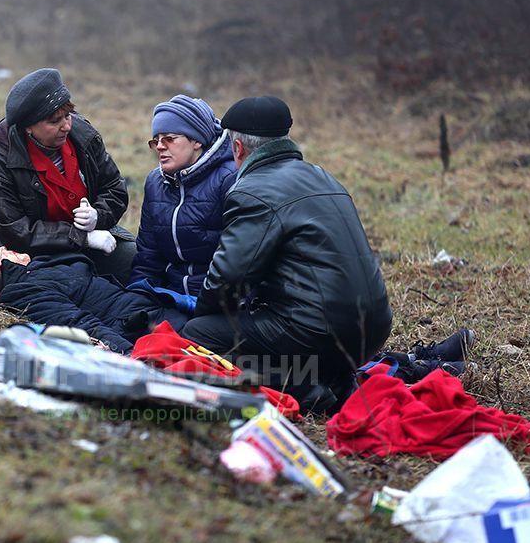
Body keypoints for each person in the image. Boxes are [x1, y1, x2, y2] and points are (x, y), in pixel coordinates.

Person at [182, 96, 470, 416]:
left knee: (199, 336)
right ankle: (344, 381)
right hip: (372, 327)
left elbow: (228, 278)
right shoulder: (322, 176)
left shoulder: (252, 189)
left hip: (320, 332)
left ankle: (303, 389)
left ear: (238, 149)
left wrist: (204, 318)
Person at [0, 68, 135, 284]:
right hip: (31, 257)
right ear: (28, 127)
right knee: (79, 287)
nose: (66, 125)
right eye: (54, 121)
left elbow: (114, 187)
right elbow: (14, 232)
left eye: (67, 115)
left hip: (93, 241)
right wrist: (81, 238)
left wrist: (98, 215)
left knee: (137, 261)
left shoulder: (84, 137)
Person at [0, 247, 190, 354]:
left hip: (158, 306)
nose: (3, 247)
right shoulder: (23, 290)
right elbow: (80, 323)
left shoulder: (38, 268)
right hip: (149, 325)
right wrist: (130, 356)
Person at [129, 95, 236, 297]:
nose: (160, 146)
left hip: (217, 301)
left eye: (169, 139)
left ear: (197, 141)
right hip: (169, 296)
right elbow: (148, 256)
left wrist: (206, 305)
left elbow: (238, 260)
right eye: (156, 140)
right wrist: (136, 299)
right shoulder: (155, 182)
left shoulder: (230, 179)